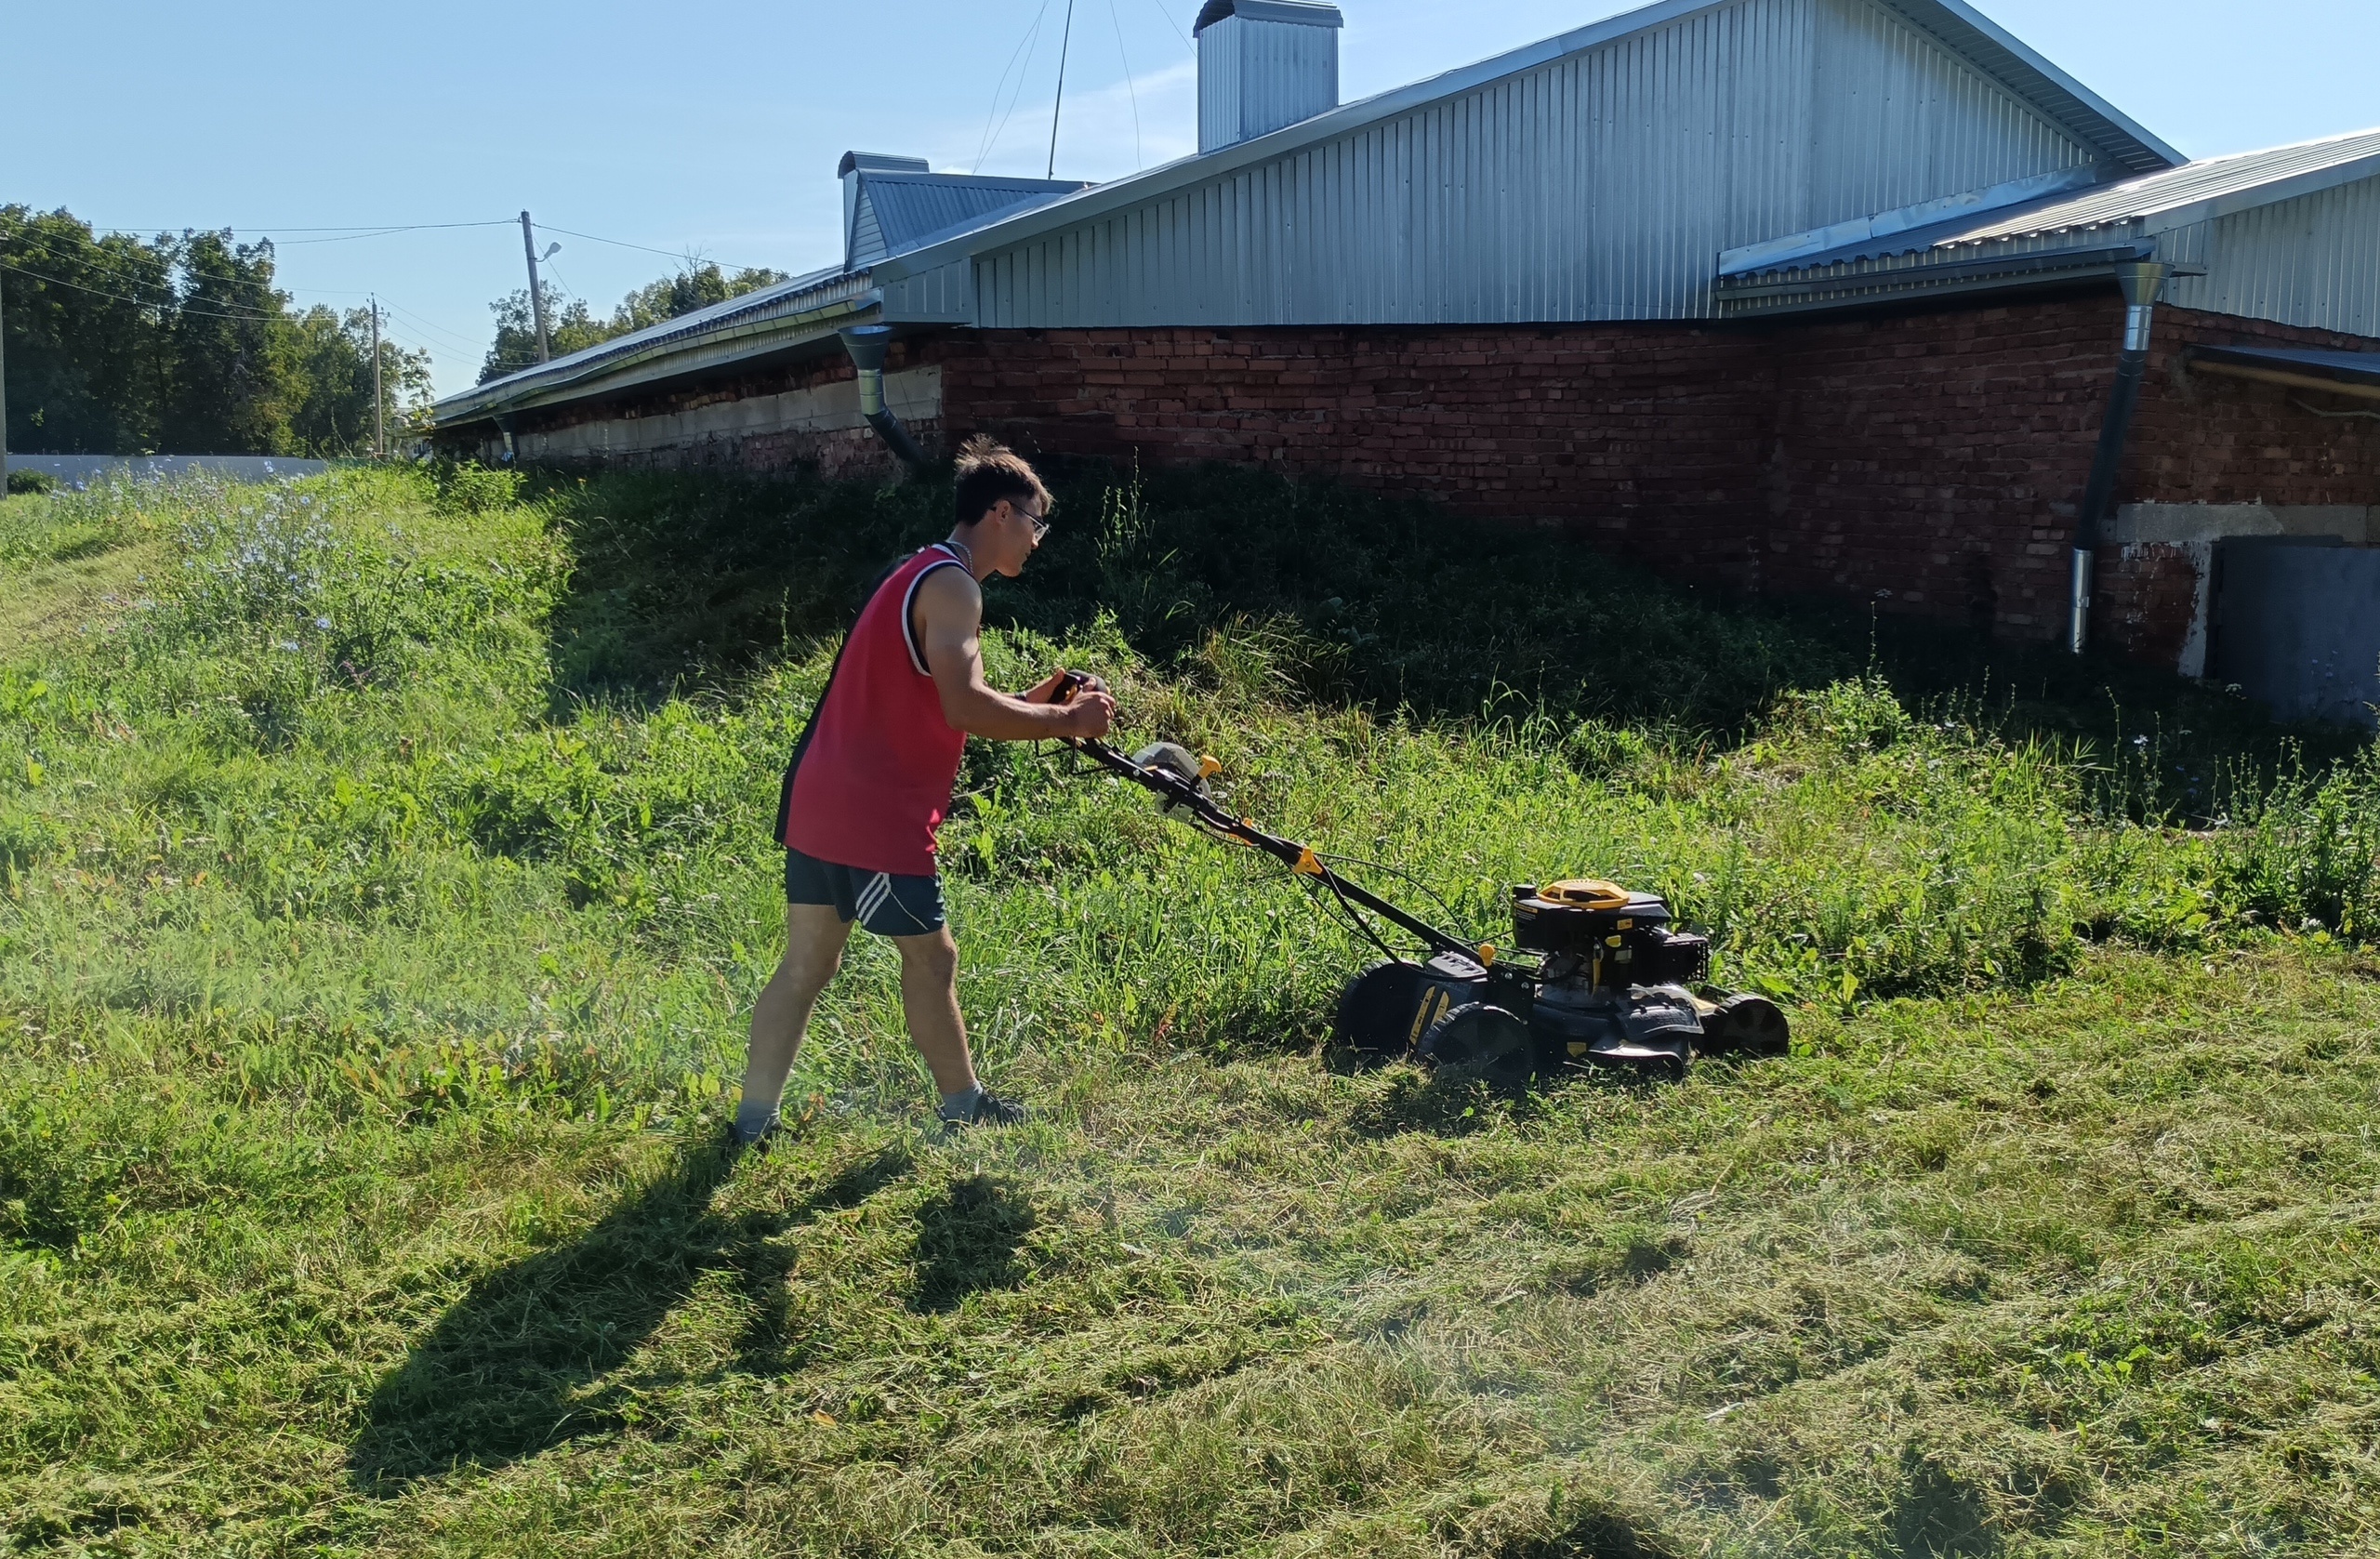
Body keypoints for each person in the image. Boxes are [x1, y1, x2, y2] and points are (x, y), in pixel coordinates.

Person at [734, 436, 1116, 1145]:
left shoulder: (918, 569)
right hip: (875, 816)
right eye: (1035, 523)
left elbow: (939, 696)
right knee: (932, 957)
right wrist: (1068, 717)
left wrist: (1038, 701)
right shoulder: (955, 587)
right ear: (999, 513)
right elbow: (965, 708)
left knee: (808, 963)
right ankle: (963, 1105)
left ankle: (753, 1122)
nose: (1037, 540)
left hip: (823, 801)